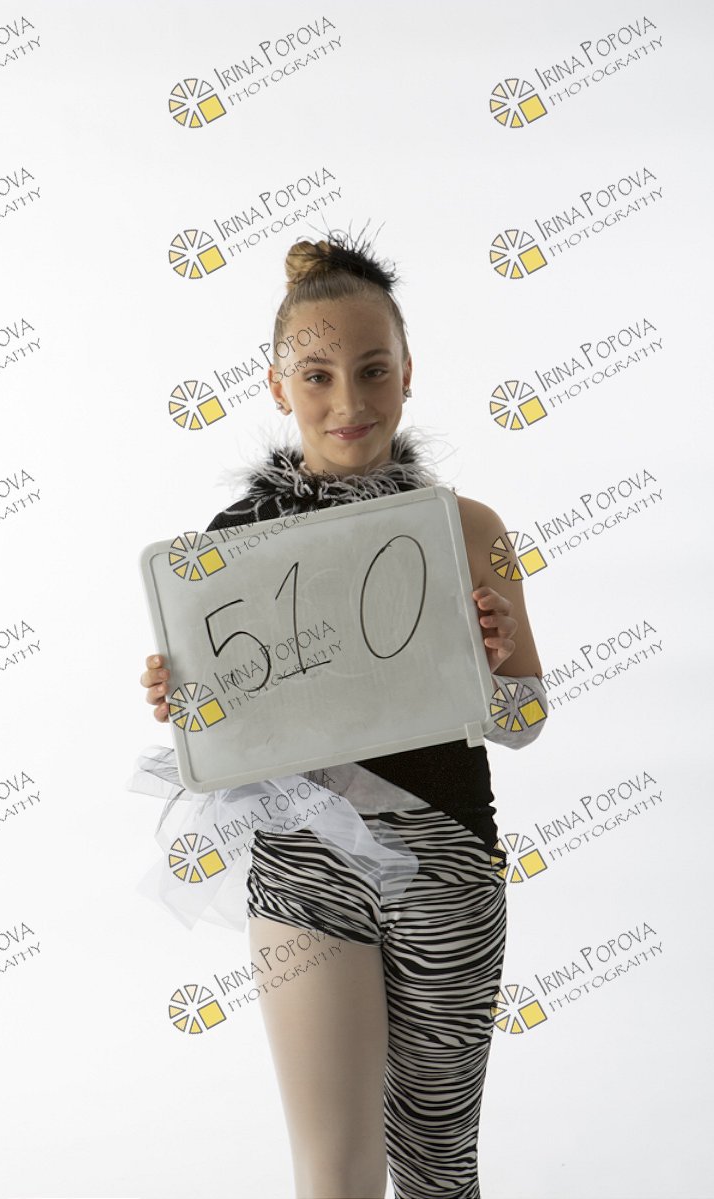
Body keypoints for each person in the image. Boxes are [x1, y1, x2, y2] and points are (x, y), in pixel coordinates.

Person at [137, 230, 547, 1199]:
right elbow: (226, 736)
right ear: (278, 386)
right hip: (303, 862)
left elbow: (524, 719)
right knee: (333, 1173)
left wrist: (494, 663)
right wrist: (181, 703)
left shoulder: (468, 529)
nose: (348, 401)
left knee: (438, 1165)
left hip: (444, 861)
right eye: (316, 376)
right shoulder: (230, 546)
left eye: (371, 370)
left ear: (407, 373)